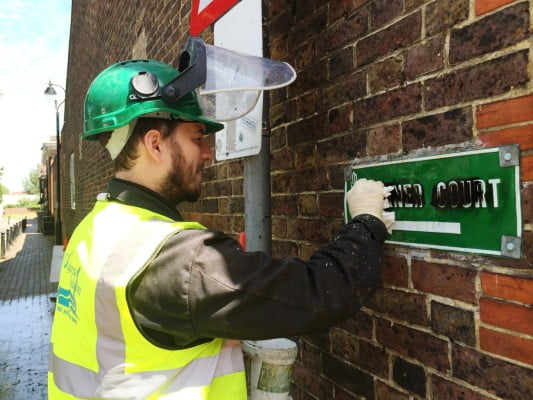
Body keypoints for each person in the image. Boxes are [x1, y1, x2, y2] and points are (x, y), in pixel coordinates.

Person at [48, 59, 393, 400]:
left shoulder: (93, 229)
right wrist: (366, 222)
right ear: (155, 144)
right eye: (198, 138)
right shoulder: (178, 258)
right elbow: (320, 292)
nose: (208, 153)